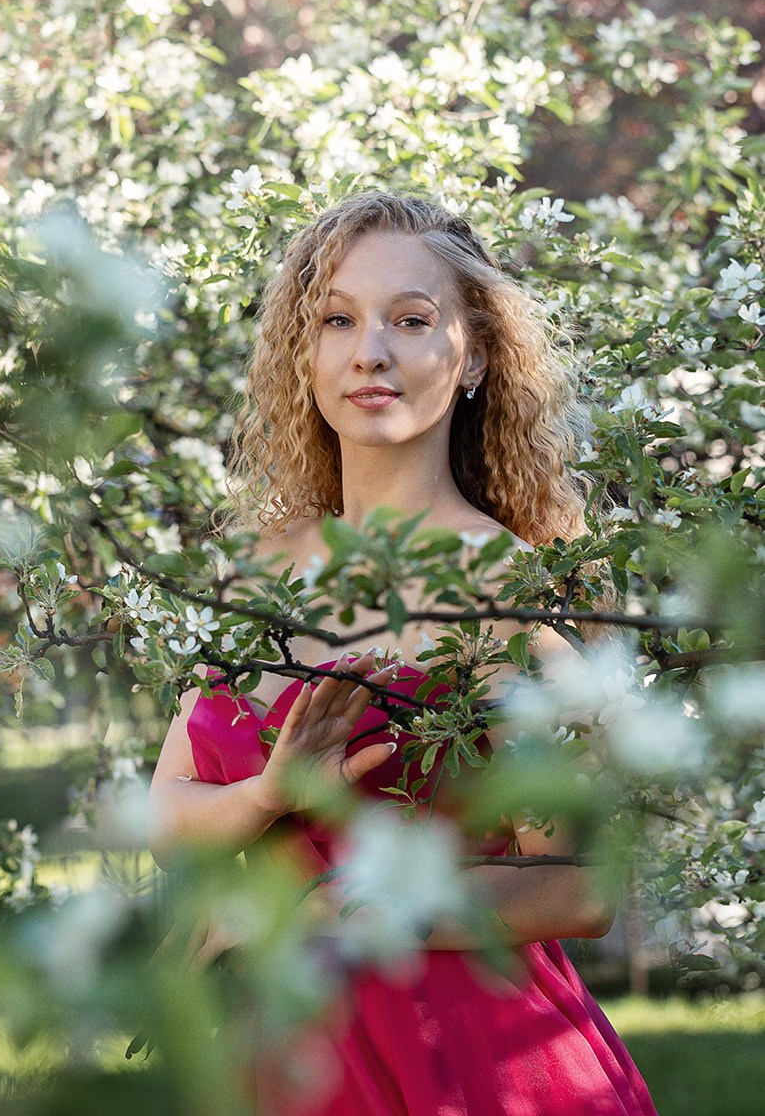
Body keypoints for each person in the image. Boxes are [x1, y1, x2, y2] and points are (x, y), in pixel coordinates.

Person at [148, 191, 658, 1116]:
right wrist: (270, 795)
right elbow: (168, 808)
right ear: (302, 355)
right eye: (336, 319)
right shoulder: (249, 573)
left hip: (467, 1062)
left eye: (411, 320)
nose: (369, 351)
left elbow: (579, 889)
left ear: (475, 355)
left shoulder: (504, 590)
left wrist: (322, 909)